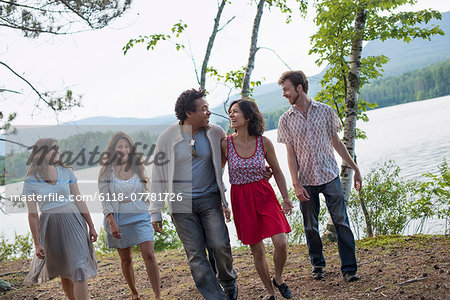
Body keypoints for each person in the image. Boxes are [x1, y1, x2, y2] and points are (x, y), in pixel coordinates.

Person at [150, 89, 238, 300]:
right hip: (181, 206)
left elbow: (232, 156)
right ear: (189, 113)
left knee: (220, 245)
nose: (209, 112)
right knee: (196, 255)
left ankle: (228, 281)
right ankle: (215, 297)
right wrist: (155, 211)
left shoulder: (215, 132)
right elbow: (158, 176)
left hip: (209, 198)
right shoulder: (167, 138)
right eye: (204, 109)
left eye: (208, 108)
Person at [277, 70, 362, 282]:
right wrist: (295, 184)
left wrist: (355, 168)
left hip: (330, 176)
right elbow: (290, 154)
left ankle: (349, 270)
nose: (284, 94)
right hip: (305, 182)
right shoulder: (285, 120)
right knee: (310, 227)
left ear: (299, 87)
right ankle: (317, 264)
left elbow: (337, 143)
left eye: (286, 89)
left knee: (341, 222)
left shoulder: (325, 111)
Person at [221, 99, 294, 300]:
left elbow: (277, 171)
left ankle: (278, 278)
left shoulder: (264, 142)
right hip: (240, 198)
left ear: (248, 116)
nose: (231, 116)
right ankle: (270, 292)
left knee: (281, 242)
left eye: (235, 112)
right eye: (230, 112)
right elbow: (217, 175)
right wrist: (223, 201)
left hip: (264, 195)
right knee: (257, 249)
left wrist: (286, 198)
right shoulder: (226, 144)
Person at [23, 138, 98, 300]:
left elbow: (79, 199)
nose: (58, 152)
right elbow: (33, 214)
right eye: (54, 149)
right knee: (65, 270)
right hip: (50, 226)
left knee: (79, 268)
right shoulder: (31, 181)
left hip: (73, 221)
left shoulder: (67, 172)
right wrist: (37, 243)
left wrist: (91, 226)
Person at [98, 132, 161, 300]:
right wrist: (111, 222)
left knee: (149, 254)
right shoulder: (106, 173)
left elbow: (146, 193)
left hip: (141, 214)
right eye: (120, 147)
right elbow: (105, 200)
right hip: (119, 218)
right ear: (113, 150)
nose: (124, 150)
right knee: (126, 260)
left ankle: (157, 296)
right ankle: (135, 293)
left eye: (126, 147)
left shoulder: (137, 166)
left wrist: (154, 213)